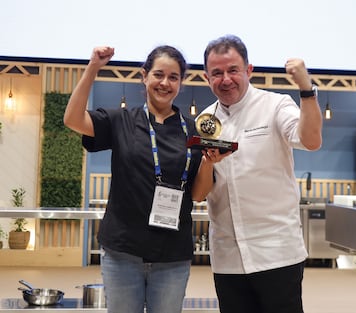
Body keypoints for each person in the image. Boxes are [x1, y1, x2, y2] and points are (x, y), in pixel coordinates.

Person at [64, 45, 204, 313]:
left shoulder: (193, 130)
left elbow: (198, 191)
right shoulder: (121, 120)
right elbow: (72, 119)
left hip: (172, 256)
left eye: (173, 77)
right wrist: (93, 67)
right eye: (158, 75)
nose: (165, 83)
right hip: (123, 253)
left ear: (181, 83)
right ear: (144, 76)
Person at [192, 35, 323, 313]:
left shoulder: (276, 105)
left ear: (248, 70)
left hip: (276, 252)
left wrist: (306, 88)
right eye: (217, 73)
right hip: (227, 257)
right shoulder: (205, 121)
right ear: (207, 77)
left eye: (233, 70)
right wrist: (207, 162)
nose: (225, 79)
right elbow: (201, 194)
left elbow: (310, 140)